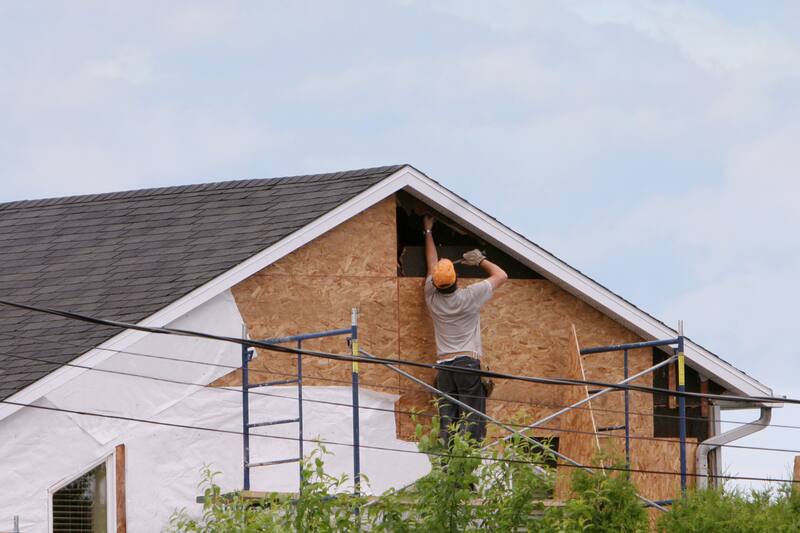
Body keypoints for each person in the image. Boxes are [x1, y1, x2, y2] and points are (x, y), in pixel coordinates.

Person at [422, 214, 508, 446]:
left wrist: (427, 231)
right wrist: (479, 260)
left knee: (447, 425)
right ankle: (468, 467)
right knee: (472, 425)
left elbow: (432, 264)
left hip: (444, 369)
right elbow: (501, 275)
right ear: (456, 280)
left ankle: (449, 467)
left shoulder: (430, 295)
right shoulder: (470, 296)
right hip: (466, 365)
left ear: (436, 284)